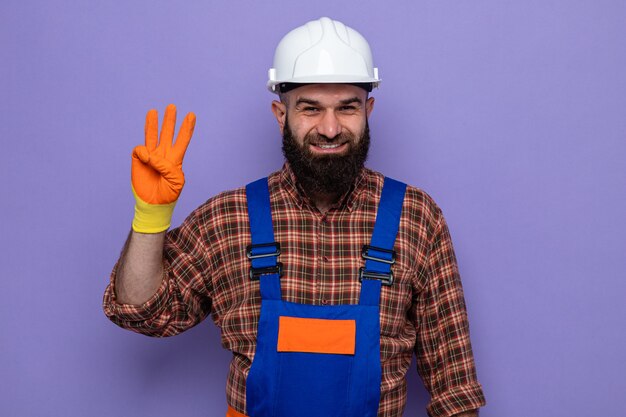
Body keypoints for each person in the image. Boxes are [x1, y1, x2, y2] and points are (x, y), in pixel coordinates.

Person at [103, 17, 486, 417]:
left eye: (347, 108)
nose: (331, 127)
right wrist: (151, 217)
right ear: (280, 113)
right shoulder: (227, 219)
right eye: (310, 108)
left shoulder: (415, 218)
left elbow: (454, 390)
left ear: (368, 110)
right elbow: (141, 312)